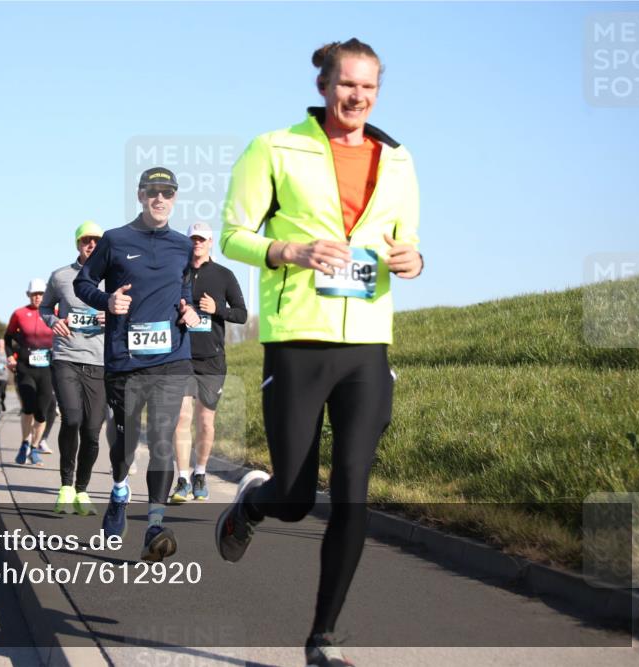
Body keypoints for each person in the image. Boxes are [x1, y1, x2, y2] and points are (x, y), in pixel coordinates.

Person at [215, 39, 423, 667]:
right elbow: (233, 233)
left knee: (354, 489)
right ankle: (255, 501)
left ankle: (323, 639)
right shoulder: (274, 148)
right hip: (297, 338)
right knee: (297, 496)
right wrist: (290, 251)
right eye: (346, 84)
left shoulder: (399, 159)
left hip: (366, 340)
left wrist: (415, 259)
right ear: (325, 85)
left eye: (369, 87)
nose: (357, 97)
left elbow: (405, 241)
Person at [75, 167, 200, 562]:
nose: (159, 199)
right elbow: (84, 283)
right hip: (125, 360)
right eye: (152, 192)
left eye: (167, 193)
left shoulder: (182, 246)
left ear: (175, 198)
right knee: (126, 444)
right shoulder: (115, 240)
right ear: (140, 195)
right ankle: (118, 490)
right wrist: (107, 301)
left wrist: (189, 308)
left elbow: (183, 288)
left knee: (163, 437)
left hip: (171, 357)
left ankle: (155, 525)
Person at [171, 222, 246, 503]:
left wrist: (218, 310)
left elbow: (241, 314)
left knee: (205, 422)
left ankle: (200, 473)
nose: (197, 244)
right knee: (181, 418)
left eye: (201, 239)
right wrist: (178, 312)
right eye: (193, 239)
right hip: (181, 355)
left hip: (212, 359)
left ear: (211, 242)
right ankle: (182, 479)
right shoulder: (178, 273)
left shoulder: (224, 275)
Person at [40, 220, 108, 516]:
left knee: (93, 431)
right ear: (77, 244)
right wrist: (53, 321)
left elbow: (130, 308)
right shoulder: (61, 277)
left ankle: (82, 490)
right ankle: (66, 485)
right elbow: (44, 308)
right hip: (66, 357)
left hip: (100, 362)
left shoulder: (114, 277)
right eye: (85, 240)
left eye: (95, 240)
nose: (90, 245)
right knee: (72, 418)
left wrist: (114, 315)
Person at [4, 280, 55, 466]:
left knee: (42, 412)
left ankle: (34, 447)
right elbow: (8, 337)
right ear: (28, 294)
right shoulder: (19, 314)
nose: (38, 297)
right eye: (34, 294)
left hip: (47, 369)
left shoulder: (54, 313)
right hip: (25, 368)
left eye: (41, 293)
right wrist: (10, 356)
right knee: (28, 406)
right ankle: (24, 442)